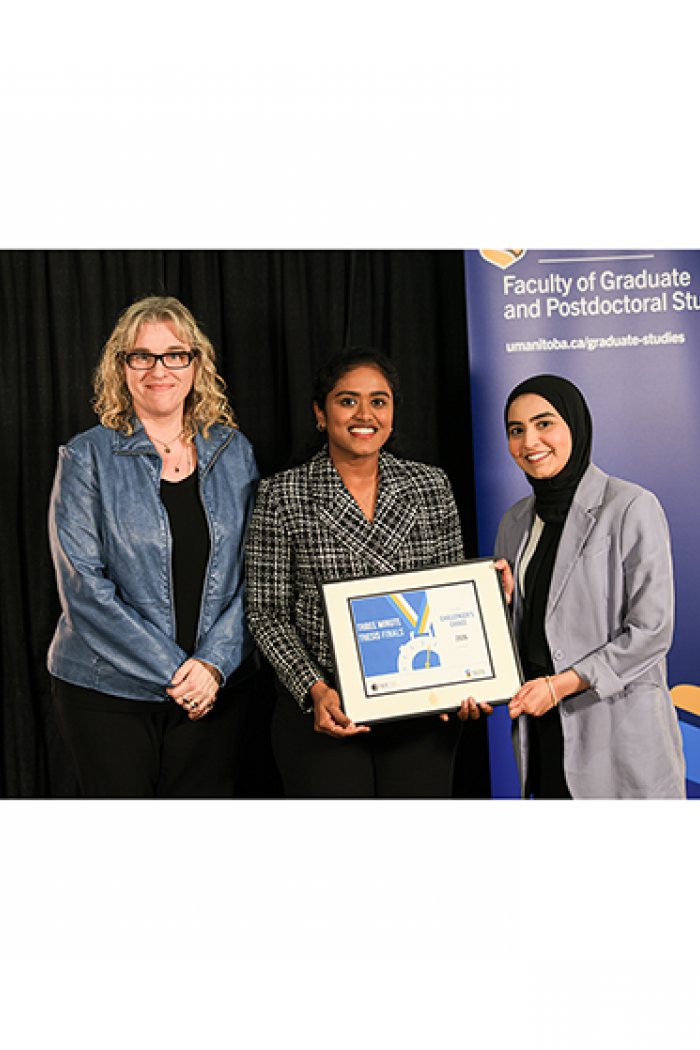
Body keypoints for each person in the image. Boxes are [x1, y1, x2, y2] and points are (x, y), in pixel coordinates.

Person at [47, 295, 259, 797]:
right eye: (142, 356)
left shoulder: (235, 452)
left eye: (174, 355)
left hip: (215, 689)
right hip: (105, 690)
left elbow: (258, 573)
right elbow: (82, 587)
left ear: (195, 364)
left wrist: (212, 664)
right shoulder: (86, 456)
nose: (158, 370)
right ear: (121, 367)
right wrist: (179, 673)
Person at [244, 346, 474, 797]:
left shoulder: (431, 486)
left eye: (378, 401)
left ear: (392, 412)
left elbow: (452, 595)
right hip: (325, 709)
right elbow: (267, 613)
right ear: (320, 412)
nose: (364, 414)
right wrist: (314, 688)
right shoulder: (282, 494)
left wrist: (463, 676)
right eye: (348, 400)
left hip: (421, 708)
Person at [469, 373, 685, 798]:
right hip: (544, 732)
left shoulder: (630, 506)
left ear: (575, 425)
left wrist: (559, 685)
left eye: (544, 423)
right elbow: (532, 629)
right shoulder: (514, 521)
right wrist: (502, 608)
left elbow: (651, 632)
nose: (529, 441)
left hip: (616, 732)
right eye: (516, 430)